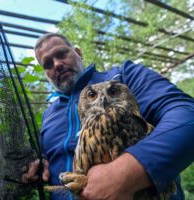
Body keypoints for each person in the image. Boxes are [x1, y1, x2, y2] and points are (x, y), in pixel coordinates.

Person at [22, 33, 194, 200]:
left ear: (78, 53)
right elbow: (48, 156)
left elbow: (187, 113)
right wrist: (41, 164)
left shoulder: (125, 76)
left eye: (61, 54)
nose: (57, 64)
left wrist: (129, 172)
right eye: (47, 64)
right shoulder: (49, 115)